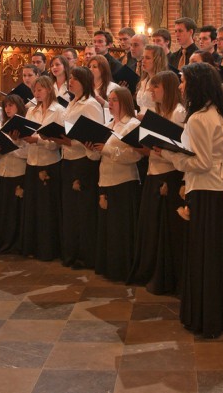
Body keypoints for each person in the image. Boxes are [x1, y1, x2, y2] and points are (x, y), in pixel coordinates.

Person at [156, 63, 223, 338]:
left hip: (207, 190)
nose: (181, 86)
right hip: (217, 187)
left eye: (183, 81)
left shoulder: (199, 118)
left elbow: (203, 162)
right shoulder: (214, 111)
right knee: (216, 254)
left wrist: (169, 154)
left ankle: (207, 317)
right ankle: (221, 314)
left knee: (205, 254)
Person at [128, 70, 186, 295]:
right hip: (154, 170)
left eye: (156, 87)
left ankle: (167, 277)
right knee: (152, 226)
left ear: (168, 89)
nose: (150, 91)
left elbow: (181, 146)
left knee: (166, 229)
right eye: (151, 87)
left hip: (170, 174)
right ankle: (152, 271)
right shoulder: (156, 112)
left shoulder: (178, 113)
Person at [52, 66, 105, 269]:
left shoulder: (90, 104)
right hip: (68, 159)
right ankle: (72, 252)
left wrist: (69, 141)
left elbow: (93, 136)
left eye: (74, 78)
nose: (70, 81)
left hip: (83, 161)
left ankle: (86, 255)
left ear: (84, 81)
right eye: (70, 78)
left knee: (83, 210)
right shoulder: (72, 103)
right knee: (71, 209)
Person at [91, 87, 141, 282]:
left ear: (125, 102)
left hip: (124, 181)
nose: (110, 104)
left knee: (120, 229)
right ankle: (109, 267)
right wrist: (93, 148)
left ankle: (122, 268)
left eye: (114, 100)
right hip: (105, 180)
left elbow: (134, 155)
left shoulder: (132, 124)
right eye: (109, 100)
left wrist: (107, 150)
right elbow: (97, 155)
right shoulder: (108, 125)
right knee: (108, 229)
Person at [20, 75, 65, 261]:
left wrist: (38, 140)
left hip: (50, 163)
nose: (37, 93)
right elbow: (26, 132)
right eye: (35, 90)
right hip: (32, 162)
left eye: (40, 90)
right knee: (33, 207)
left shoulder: (59, 111)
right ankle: (32, 247)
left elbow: (58, 143)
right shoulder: (31, 111)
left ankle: (48, 249)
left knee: (47, 209)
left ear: (48, 89)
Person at [0, 94, 29, 254]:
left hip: (18, 173)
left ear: (19, 106)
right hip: (2, 172)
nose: (8, 109)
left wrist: (12, 144)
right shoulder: (2, 126)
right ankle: (3, 241)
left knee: (15, 211)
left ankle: (15, 244)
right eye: (6, 106)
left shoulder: (25, 127)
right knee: (3, 210)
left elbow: (28, 153)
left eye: (11, 105)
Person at [136, 44, 167, 114]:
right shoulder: (144, 80)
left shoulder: (162, 82)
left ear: (157, 60)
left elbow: (164, 110)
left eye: (147, 58)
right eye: (143, 57)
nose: (143, 61)